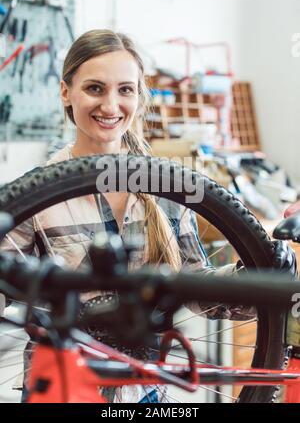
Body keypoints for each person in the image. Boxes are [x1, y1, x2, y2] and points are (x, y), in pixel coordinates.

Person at [0, 30, 297, 402]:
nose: (110, 106)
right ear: (66, 93)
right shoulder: (36, 196)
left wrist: (255, 280)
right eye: (94, 88)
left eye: (125, 90)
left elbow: (194, 285)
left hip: (146, 392)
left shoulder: (167, 188)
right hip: (62, 388)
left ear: (139, 97)